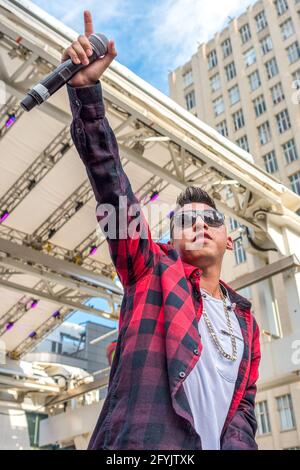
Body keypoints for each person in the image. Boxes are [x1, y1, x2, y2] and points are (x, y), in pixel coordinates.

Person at [62, 10, 261, 450]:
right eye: (185, 221)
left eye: (211, 219)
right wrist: (86, 93)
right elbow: (112, 186)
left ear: (229, 238)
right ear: (169, 240)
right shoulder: (151, 272)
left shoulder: (246, 320)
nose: (200, 225)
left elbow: (244, 405)